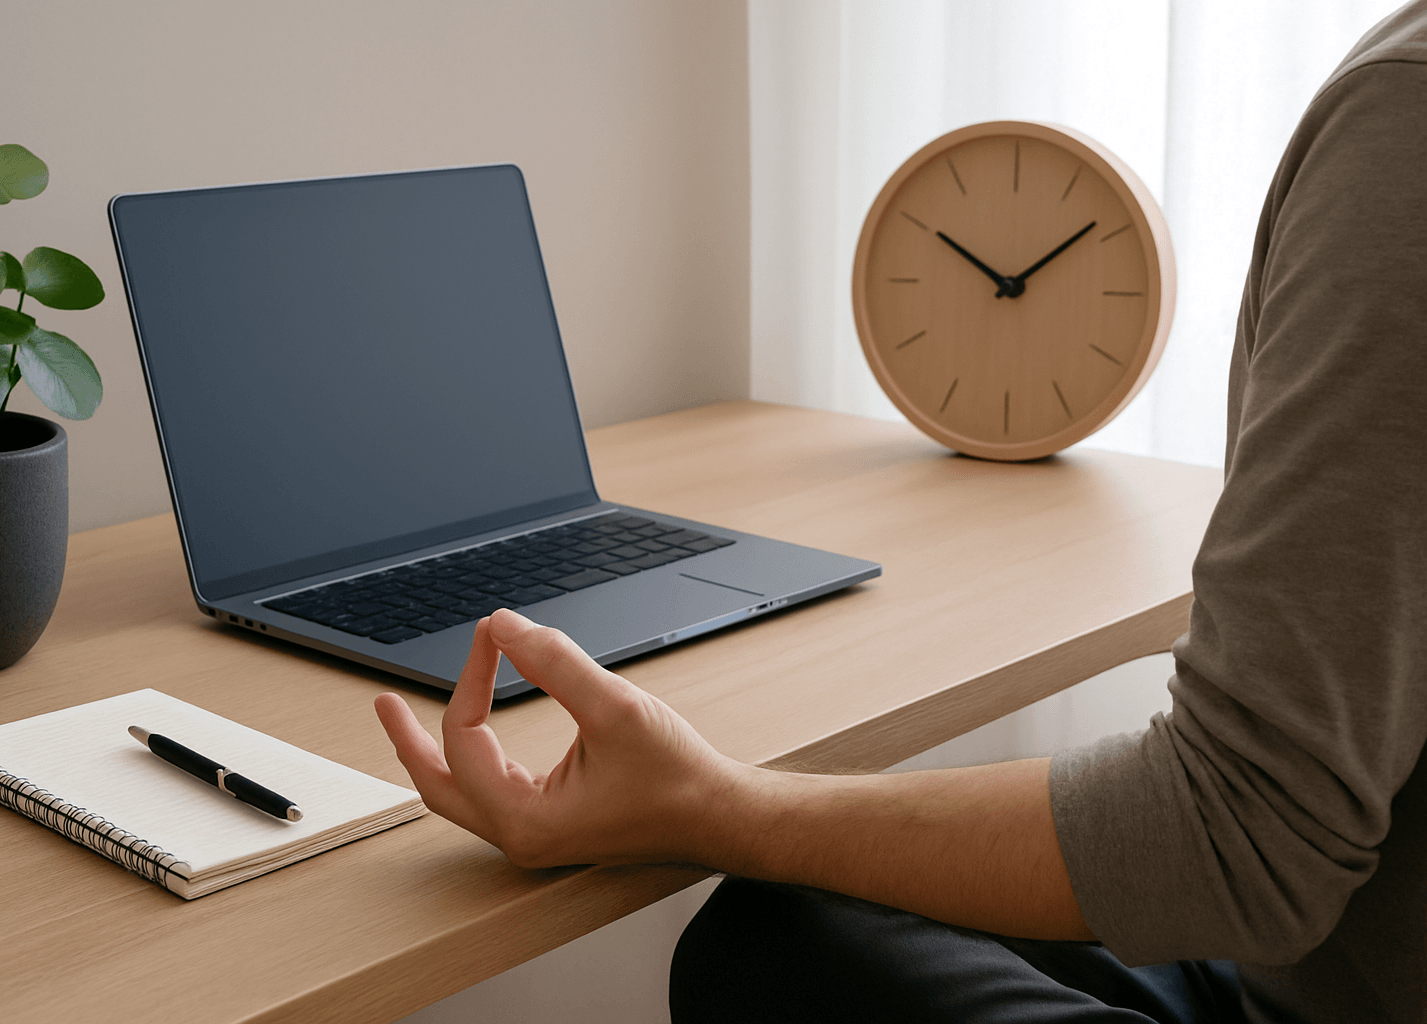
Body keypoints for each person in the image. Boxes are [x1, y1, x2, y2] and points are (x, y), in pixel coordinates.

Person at [375, 5, 1427, 1021]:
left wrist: (713, 805)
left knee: (775, 948)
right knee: (794, 931)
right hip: (1321, 959)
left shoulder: (1404, 117)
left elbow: (1238, 840)